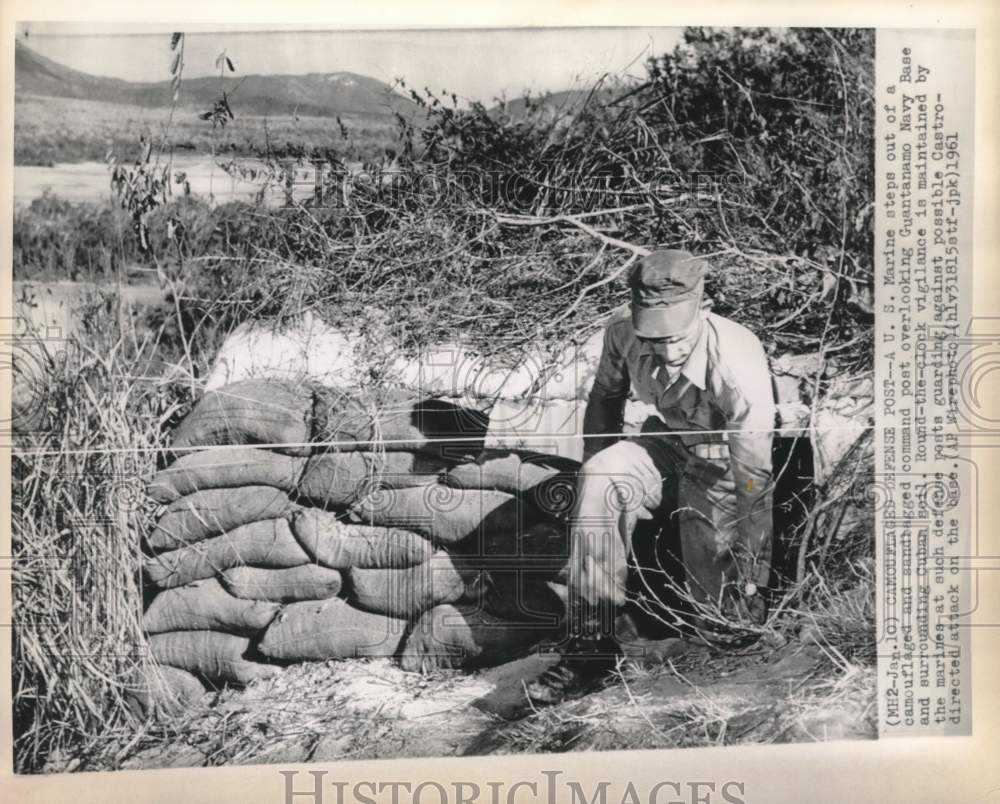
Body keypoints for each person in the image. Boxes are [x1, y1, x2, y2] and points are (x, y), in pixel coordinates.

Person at [527, 249, 777, 704]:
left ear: (703, 307)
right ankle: (591, 646)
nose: (667, 349)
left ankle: (716, 650)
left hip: (725, 461)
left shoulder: (737, 362)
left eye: (677, 337)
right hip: (666, 444)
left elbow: (753, 475)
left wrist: (754, 565)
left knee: (722, 625)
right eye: (655, 338)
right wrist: (592, 489)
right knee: (603, 474)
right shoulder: (623, 333)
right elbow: (605, 399)